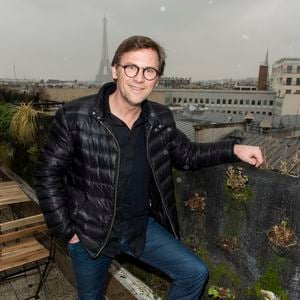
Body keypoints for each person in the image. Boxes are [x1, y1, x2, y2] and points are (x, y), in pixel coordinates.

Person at [35, 35, 263, 300]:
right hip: (90, 232)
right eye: (131, 67)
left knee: (194, 272)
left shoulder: (159, 118)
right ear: (115, 70)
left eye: (149, 70)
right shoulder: (76, 116)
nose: (139, 77)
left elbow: (187, 155)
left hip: (140, 228)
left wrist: (234, 149)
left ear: (157, 78)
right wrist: (68, 231)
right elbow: (47, 174)